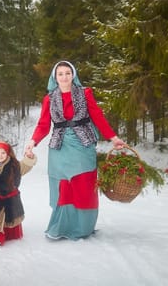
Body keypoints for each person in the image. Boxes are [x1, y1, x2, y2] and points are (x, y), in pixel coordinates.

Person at [24, 60, 125, 240]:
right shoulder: (49, 98)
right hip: (60, 146)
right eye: (60, 74)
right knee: (63, 186)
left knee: (84, 183)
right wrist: (33, 141)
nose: (64, 77)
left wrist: (113, 137)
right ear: (55, 77)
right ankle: (62, 226)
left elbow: (97, 116)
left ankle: (83, 227)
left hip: (82, 144)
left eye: (68, 73)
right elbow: (44, 124)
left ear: (73, 75)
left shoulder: (85, 93)